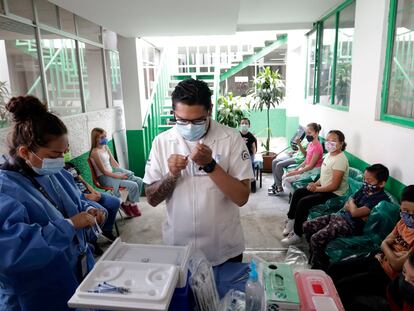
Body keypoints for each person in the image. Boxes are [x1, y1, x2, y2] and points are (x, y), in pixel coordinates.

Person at [0, 96, 102, 310]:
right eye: (55, 154)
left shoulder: (56, 174)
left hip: (76, 276)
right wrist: (70, 225)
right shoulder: (6, 191)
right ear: (25, 152)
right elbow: (13, 251)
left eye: (64, 152)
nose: (61, 159)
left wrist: (89, 210)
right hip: (36, 294)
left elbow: (75, 202)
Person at [144, 78, 253, 266]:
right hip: (178, 250)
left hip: (224, 250)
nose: (189, 126)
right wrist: (171, 175)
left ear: (209, 109)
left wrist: (210, 165)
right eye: (182, 120)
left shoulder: (231, 138)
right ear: (173, 112)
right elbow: (152, 199)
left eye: (197, 121)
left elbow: (242, 197)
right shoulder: (162, 142)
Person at [328, 185, 414, 311]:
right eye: (405, 212)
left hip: (387, 276)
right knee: (334, 269)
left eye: (413, 214)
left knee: (342, 288)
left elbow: (396, 265)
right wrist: (387, 247)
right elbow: (385, 242)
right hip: (377, 259)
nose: (408, 217)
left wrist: (386, 246)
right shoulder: (402, 223)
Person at [303, 164, 390, 269]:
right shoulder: (365, 189)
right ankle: (315, 255)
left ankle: (319, 265)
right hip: (340, 216)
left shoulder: (380, 199)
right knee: (307, 225)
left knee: (316, 238)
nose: (365, 182)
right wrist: (353, 206)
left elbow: (354, 212)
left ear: (381, 183)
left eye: (369, 180)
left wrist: (352, 206)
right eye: (364, 179)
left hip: (350, 225)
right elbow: (347, 205)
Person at [281, 130, 349, 245]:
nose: (329, 143)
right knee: (298, 192)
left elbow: (334, 186)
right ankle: (291, 221)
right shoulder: (328, 155)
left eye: (333, 141)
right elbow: (324, 177)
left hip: (334, 194)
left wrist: (316, 189)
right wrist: (315, 184)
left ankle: (297, 234)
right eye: (327, 140)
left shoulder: (341, 160)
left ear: (341, 143)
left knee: (304, 202)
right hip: (323, 187)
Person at [64, 152, 121, 242]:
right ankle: (93, 240)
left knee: (115, 202)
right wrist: (86, 196)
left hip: (88, 193)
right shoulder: (56, 172)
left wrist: (94, 192)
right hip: (80, 197)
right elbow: (68, 192)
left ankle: (107, 230)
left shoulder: (69, 165)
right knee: (102, 212)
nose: (66, 150)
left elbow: (83, 181)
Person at [89, 128, 142, 217]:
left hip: (112, 174)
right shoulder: (95, 152)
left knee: (139, 180)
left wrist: (123, 171)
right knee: (133, 185)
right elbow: (104, 172)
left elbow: (114, 163)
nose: (105, 139)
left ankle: (127, 203)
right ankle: (131, 204)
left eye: (105, 136)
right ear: (95, 139)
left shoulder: (105, 147)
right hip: (104, 178)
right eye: (102, 137)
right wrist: (119, 176)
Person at [281, 123, 323, 195]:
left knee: (286, 180)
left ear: (316, 133)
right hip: (307, 169)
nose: (307, 135)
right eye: (306, 133)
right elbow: (306, 160)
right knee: (284, 176)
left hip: (313, 173)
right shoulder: (310, 144)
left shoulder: (318, 147)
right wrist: (296, 169)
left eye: (309, 133)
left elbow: (311, 166)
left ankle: (297, 196)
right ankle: (296, 196)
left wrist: (297, 172)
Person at [239, 117, 257, 193]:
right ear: (240, 125)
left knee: (251, 165)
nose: (244, 124)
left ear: (249, 126)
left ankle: (253, 184)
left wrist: (253, 156)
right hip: (239, 154)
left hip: (249, 154)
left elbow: (254, 148)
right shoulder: (237, 134)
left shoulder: (251, 136)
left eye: (246, 123)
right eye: (242, 123)